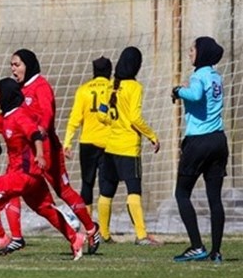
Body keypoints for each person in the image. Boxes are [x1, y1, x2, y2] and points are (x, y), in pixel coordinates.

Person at [0, 78, 85, 261]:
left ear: (6, 94)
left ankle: (0, 235)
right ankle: (75, 237)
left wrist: (39, 155)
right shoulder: (6, 116)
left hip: (24, 174)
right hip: (31, 177)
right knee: (45, 208)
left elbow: (36, 134)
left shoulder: (20, 116)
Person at [5, 49, 99, 255]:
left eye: (17, 64)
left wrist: (40, 131)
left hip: (47, 150)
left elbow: (47, 114)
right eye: (12, 65)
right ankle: (16, 237)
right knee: (11, 187)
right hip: (25, 154)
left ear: (28, 65)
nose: (13, 69)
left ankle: (91, 228)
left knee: (63, 191)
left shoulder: (41, 86)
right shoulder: (18, 89)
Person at [96, 46, 161, 246]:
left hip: (109, 148)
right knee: (134, 192)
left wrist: (114, 122)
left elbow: (101, 114)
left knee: (106, 193)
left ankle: (104, 235)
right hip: (128, 148)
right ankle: (141, 236)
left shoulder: (110, 86)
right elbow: (135, 118)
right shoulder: (135, 87)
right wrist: (152, 136)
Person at [171, 37, 228, 263]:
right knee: (214, 198)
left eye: (192, 49)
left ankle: (196, 246)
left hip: (199, 143)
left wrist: (177, 90)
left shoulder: (199, 75)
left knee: (182, 193)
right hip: (218, 141)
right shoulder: (216, 77)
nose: (189, 52)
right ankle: (216, 251)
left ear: (201, 52)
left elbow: (194, 94)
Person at [63, 56, 113, 219]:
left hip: (87, 143)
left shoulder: (83, 90)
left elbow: (74, 119)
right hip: (108, 142)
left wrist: (67, 143)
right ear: (110, 71)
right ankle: (105, 230)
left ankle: (87, 225)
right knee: (105, 185)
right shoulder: (112, 88)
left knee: (87, 184)